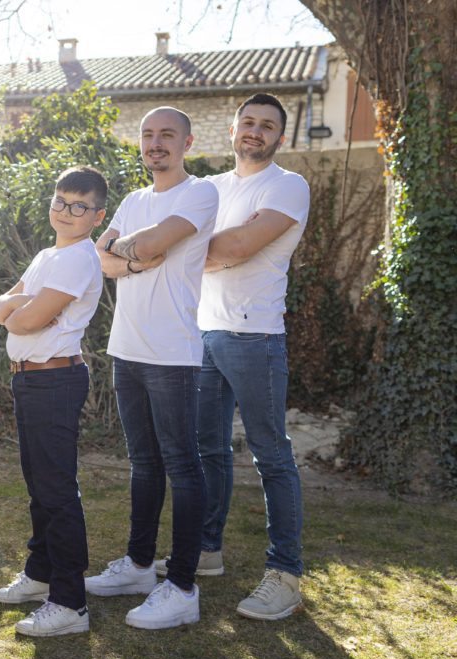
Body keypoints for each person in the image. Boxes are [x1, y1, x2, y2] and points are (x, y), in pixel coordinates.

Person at [160, 92, 309, 620]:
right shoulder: (211, 188)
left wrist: (198, 251)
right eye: (248, 122)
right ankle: (207, 550)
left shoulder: (289, 186)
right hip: (201, 332)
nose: (256, 131)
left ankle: (285, 574)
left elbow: (236, 247)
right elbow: (199, 250)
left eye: (267, 125)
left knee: (271, 455)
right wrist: (206, 252)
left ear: (280, 137)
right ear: (232, 130)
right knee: (208, 452)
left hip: (255, 338)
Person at [85, 107, 218, 630]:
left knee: (182, 464)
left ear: (187, 142)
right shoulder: (135, 199)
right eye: (148, 135)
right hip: (128, 348)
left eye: (167, 135)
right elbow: (101, 254)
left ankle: (182, 586)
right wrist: (133, 258)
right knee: (143, 462)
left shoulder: (201, 193)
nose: (156, 143)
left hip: (173, 352)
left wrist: (129, 251)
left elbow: (156, 242)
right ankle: (140, 566)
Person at [0, 166, 107, 637]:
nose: (66, 211)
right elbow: (3, 307)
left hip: (55, 381)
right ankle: (40, 576)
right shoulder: (45, 255)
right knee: (40, 486)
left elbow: (20, 319)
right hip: (29, 380)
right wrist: (20, 309)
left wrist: (20, 309)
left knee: (57, 490)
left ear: (97, 216)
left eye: (79, 206)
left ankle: (70, 603)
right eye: (60, 201)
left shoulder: (79, 258)